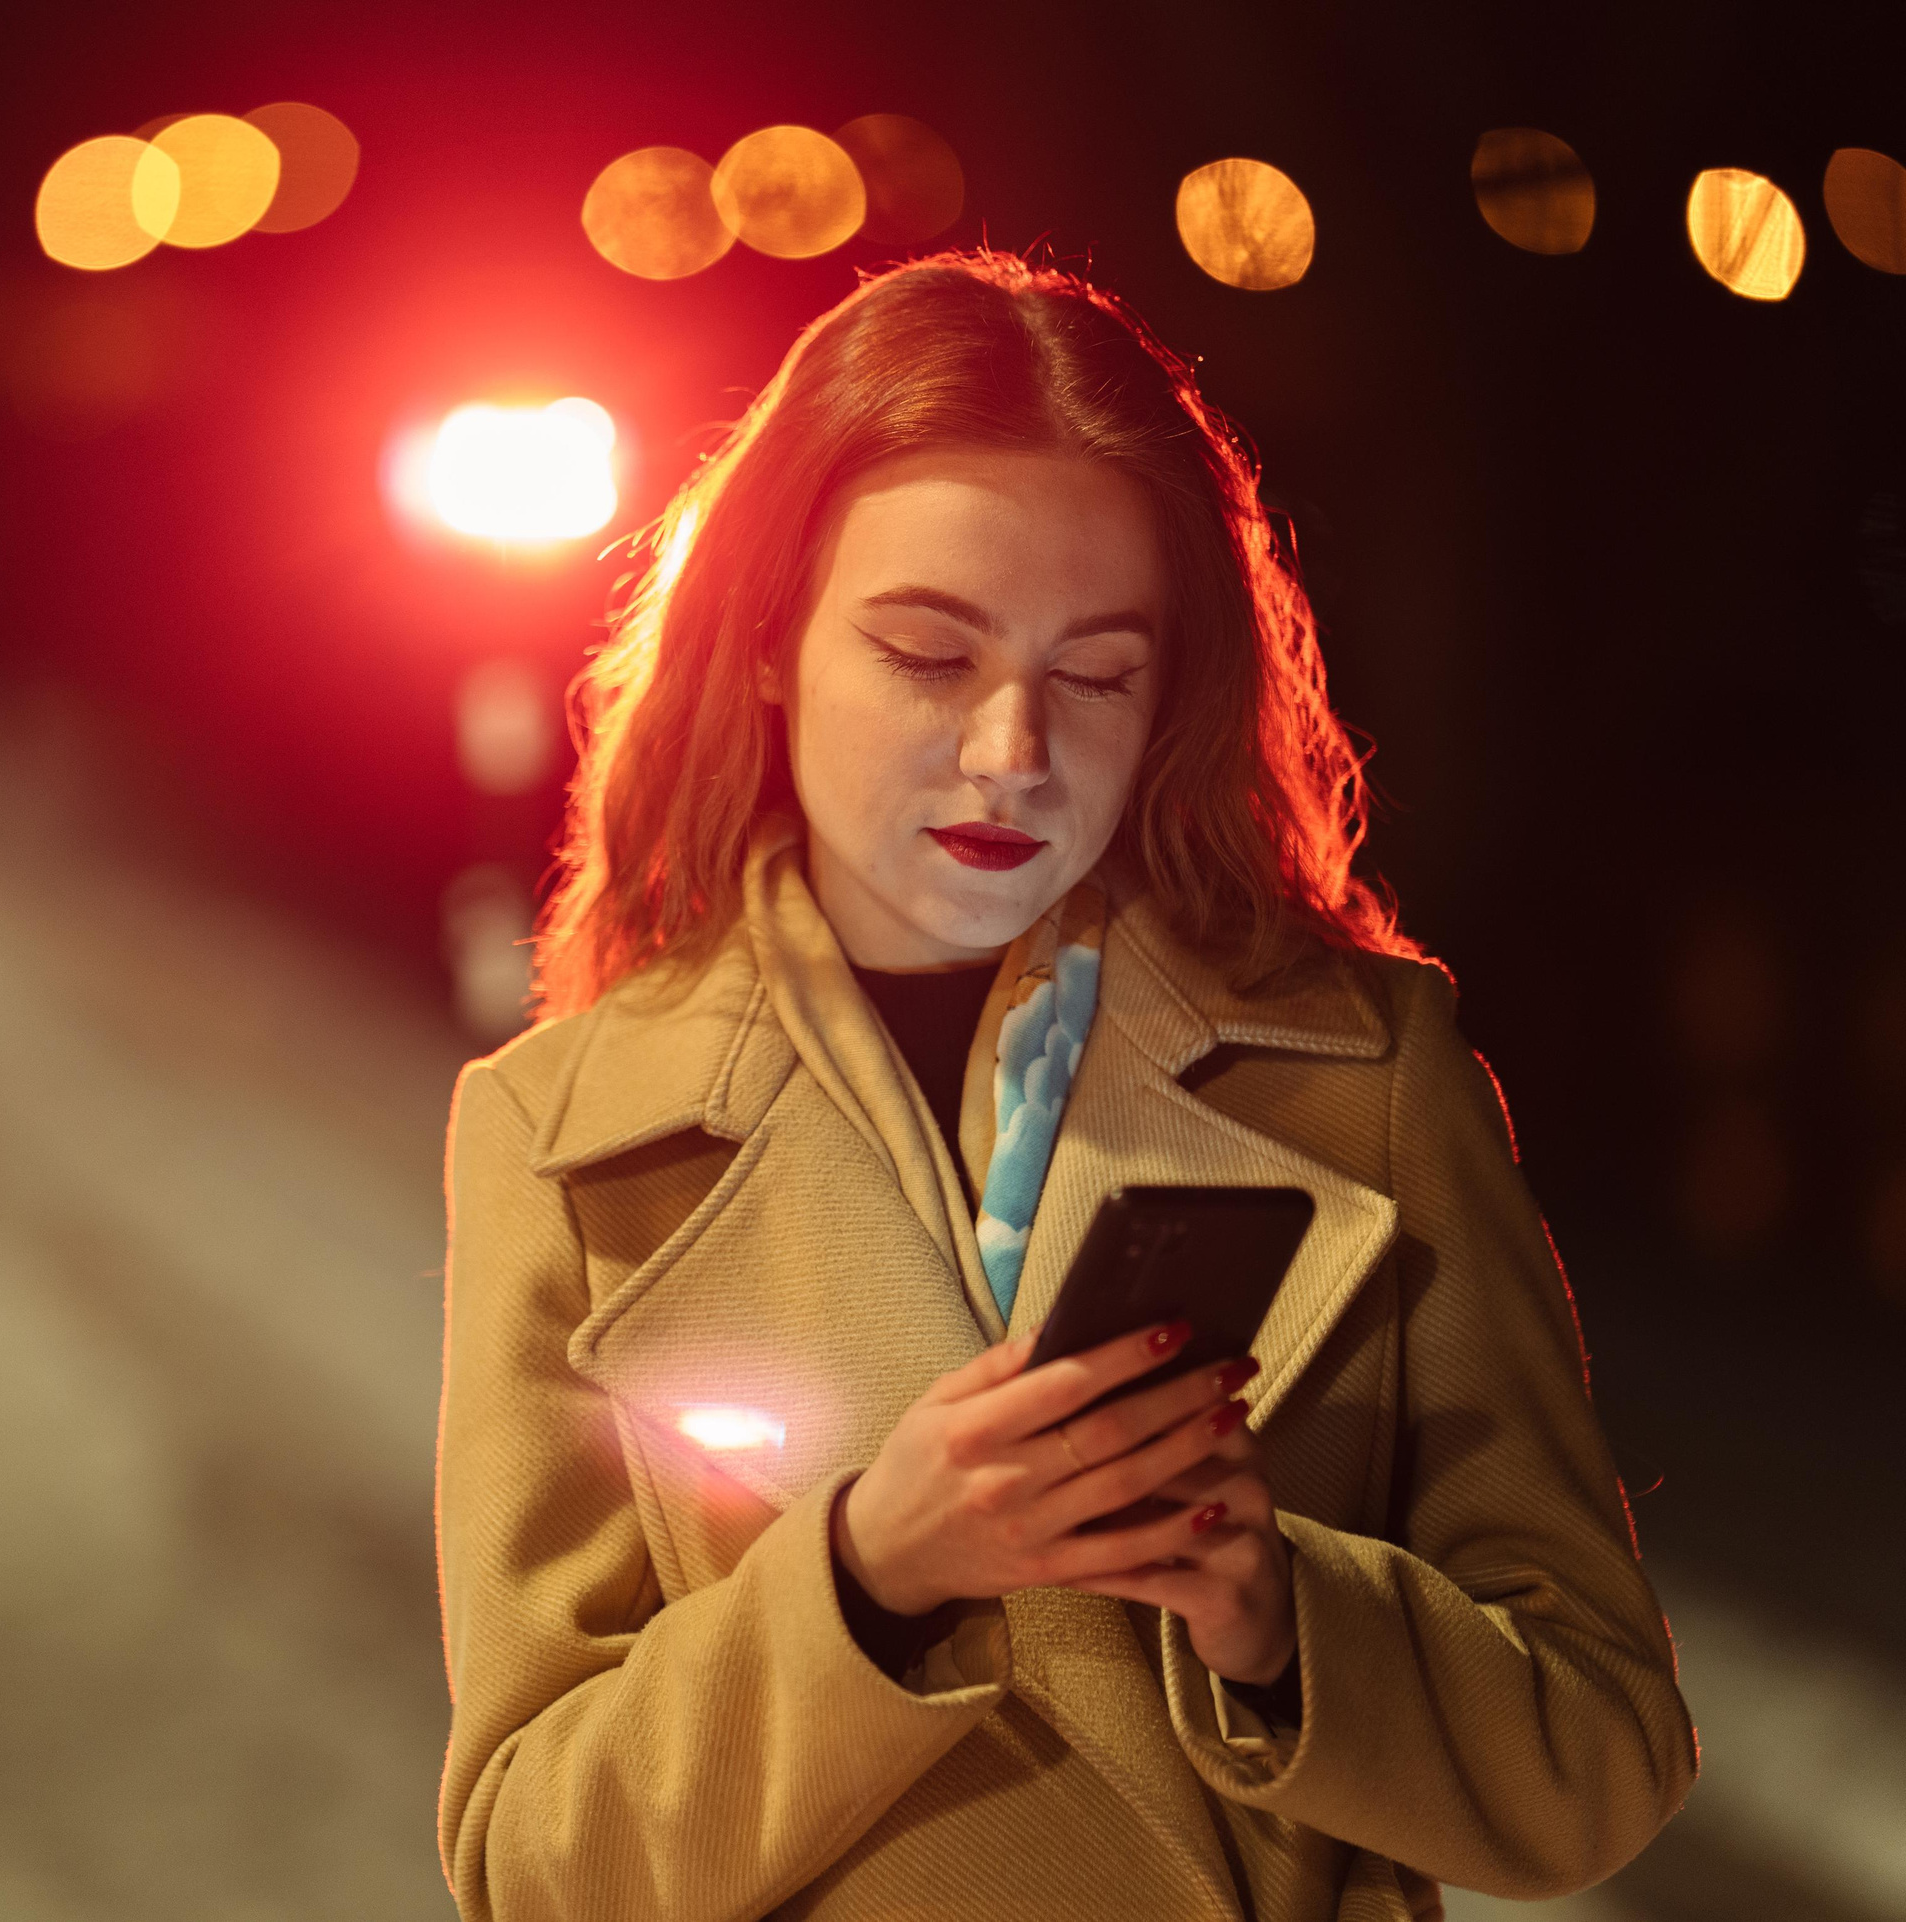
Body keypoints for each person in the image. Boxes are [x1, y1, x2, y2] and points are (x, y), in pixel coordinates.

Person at [433, 253, 1693, 1922]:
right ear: (764, 645)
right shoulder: (568, 1134)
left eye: (1096, 671)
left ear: (1174, 693)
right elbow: (533, 1866)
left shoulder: (1367, 1075)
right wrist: (874, 1567)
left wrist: (1277, 1615)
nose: (1014, 748)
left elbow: (1599, 1751)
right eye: (930, 656)